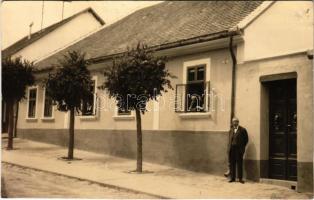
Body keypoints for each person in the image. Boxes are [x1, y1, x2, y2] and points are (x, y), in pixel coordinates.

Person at [227, 117, 248, 183]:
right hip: (232, 149)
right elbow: (230, 140)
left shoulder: (243, 130)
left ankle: (240, 179)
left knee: (239, 164)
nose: (235, 123)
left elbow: (246, 140)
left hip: (239, 149)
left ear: (238, 122)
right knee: (232, 164)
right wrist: (229, 148)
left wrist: (242, 147)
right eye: (233, 122)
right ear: (232, 123)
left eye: (236, 121)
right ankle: (232, 178)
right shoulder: (231, 130)